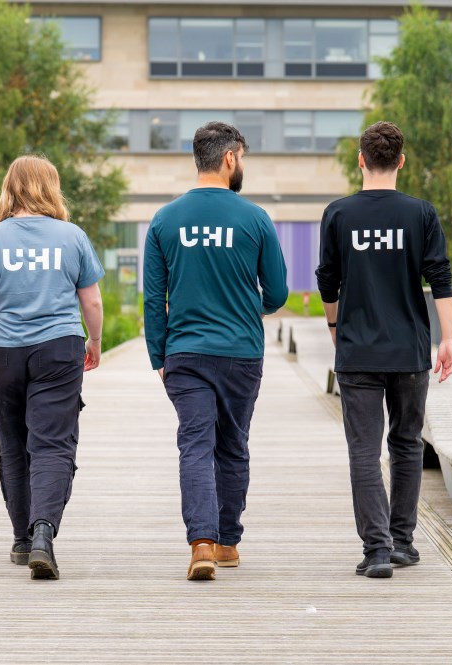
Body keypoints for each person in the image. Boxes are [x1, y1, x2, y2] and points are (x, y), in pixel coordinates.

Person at [143, 122, 288, 581]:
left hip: (184, 352)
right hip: (241, 351)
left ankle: (200, 543)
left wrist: (158, 356)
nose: (242, 165)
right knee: (232, 446)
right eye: (242, 156)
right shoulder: (255, 219)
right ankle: (226, 542)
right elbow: (278, 291)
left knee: (194, 444)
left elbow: (152, 296)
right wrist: (249, 306)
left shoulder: (165, 220)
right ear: (229, 158)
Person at [315, 121, 452, 579]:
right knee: (407, 445)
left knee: (363, 449)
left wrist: (335, 325)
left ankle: (376, 550)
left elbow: (326, 278)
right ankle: (404, 543)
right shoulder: (421, 213)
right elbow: (439, 276)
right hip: (410, 349)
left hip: (357, 350)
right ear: (400, 161)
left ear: (361, 160)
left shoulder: (338, 213)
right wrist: (449, 339)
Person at [0, 155, 104, 581]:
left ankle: (22, 541)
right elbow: (92, 301)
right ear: (51, 188)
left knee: (13, 444)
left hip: (4, 350)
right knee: (53, 444)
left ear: (9, 188)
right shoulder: (71, 236)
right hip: (59, 348)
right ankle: (43, 533)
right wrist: (93, 341)